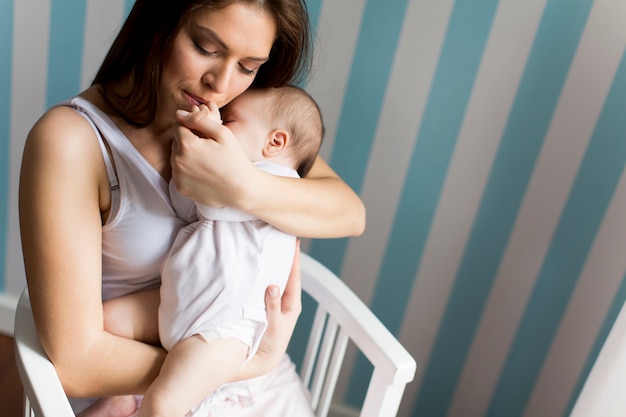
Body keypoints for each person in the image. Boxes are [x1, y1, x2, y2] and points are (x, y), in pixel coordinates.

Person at [18, 0, 365, 416]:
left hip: (254, 385)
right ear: (160, 24)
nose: (220, 84)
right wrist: (246, 361)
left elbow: (350, 213)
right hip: (147, 386)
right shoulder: (73, 142)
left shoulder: (238, 122)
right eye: (206, 48)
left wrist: (242, 185)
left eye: (248, 66)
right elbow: (77, 362)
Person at [104, 85, 324, 417]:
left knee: (164, 403)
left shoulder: (279, 182)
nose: (219, 123)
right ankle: (120, 395)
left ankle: (139, 402)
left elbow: (215, 200)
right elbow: (186, 197)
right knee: (104, 322)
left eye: (230, 121)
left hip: (223, 332)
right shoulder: (237, 181)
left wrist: (202, 135)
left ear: (275, 142)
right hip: (178, 302)